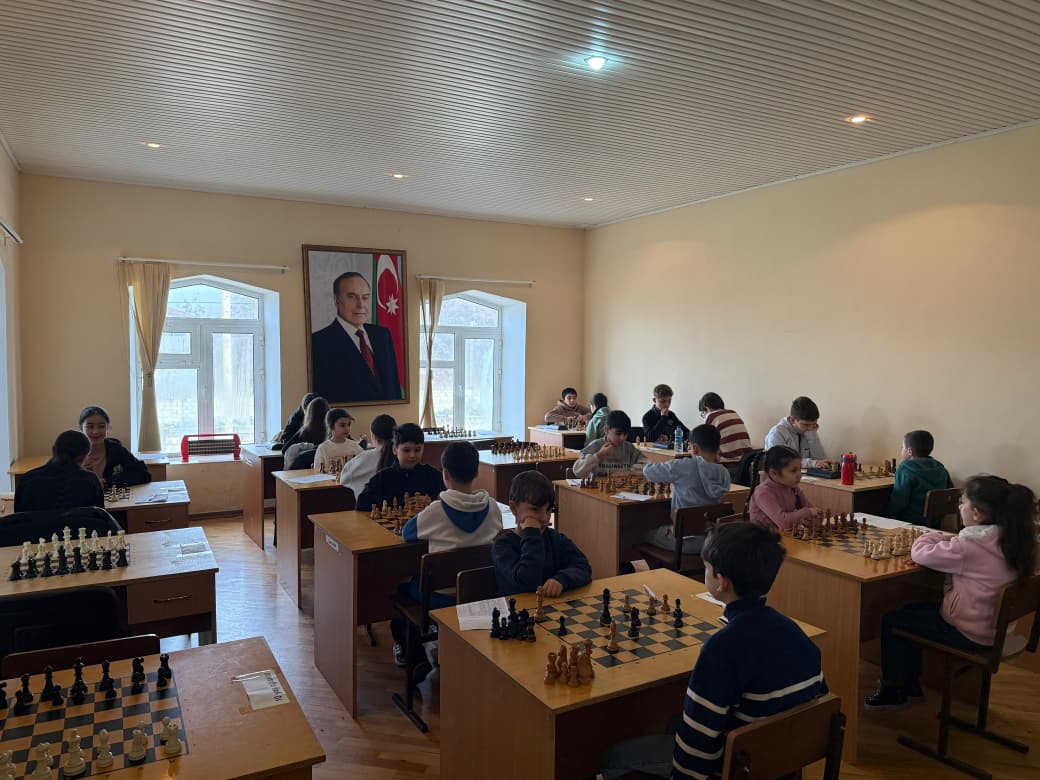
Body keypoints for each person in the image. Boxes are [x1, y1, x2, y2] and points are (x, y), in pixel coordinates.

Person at [600, 521, 827, 779]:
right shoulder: (796, 632)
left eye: (706, 568)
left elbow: (693, 762)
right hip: (783, 764)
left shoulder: (721, 650)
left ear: (721, 582)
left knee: (614, 757)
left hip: (736, 768)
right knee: (676, 721)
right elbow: (816, 703)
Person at [866, 476, 1037, 709]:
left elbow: (920, 553)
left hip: (969, 632)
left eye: (962, 502)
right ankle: (911, 685)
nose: (959, 507)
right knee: (911, 610)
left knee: (892, 621)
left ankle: (893, 690)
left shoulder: (970, 546)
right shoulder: (1012, 540)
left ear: (977, 513)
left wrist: (935, 535)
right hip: (995, 630)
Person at [388, 441, 505, 672]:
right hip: (482, 591)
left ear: (446, 474)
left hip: (440, 598)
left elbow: (407, 533)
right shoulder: (493, 507)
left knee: (401, 588)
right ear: (477, 472)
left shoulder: (436, 510)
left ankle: (414, 655)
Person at [493, 471, 591, 596]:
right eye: (535, 509)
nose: (544, 517)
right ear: (513, 508)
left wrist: (562, 579)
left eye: (548, 510)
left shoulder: (555, 538)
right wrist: (531, 533)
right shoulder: (502, 546)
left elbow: (583, 567)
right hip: (518, 607)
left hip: (551, 606)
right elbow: (527, 582)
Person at [311, 271, 402, 402]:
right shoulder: (319, 342)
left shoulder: (382, 335)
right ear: (336, 300)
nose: (360, 305)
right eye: (351, 297)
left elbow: (394, 387)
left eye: (365, 297)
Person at [640, 424, 731, 555]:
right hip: (712, 541)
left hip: (683, 541)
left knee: (641, 533)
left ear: (695, 448)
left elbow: (648, 472)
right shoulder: (724, 473)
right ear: (718, 448)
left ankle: (666, 566)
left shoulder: (684, 465)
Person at [355, 423, 445, 511]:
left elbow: (448, 495)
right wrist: (400, 503)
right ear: (395, 450)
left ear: (423, 449)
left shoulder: (432, 474)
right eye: (406, 450)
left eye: (417, 450)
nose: (412, 455)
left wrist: (432, 499)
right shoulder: (384, 476)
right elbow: (362, 501)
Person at [15, 430, 105, 512]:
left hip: (37, 525)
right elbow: (100, 516)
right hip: (77, 525)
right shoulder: (90, 480)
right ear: (84, 457)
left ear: (53, 450)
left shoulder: (28, 479)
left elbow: (19, 517)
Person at [887, 430, 954, 528]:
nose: (901, 449)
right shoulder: (941, 468)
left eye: (902, 447)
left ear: (909, 451)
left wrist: (887, 513)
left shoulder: (905, 469)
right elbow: (950, 491)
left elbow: (899, 500)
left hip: (910, 522)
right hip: (936, 521)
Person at [748, 445, 823, 532]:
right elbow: (784, 523)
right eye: (793, 471)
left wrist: (816, 516)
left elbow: (814, 512)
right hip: (764, 538)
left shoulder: (793, 488)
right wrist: (808, 512)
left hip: (785, 535)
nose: (800, 475)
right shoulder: (763, 492)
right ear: (773, 473)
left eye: (800, 469)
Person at [79, 406, 152, 488]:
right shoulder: (72, 451)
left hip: (111, 496)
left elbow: (144, 474)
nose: (95, 431)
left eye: (101, 426)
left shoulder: (116, 449)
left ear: (108, 428)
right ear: (81, 429)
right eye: (90, 426)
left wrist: (107, 482)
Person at [572, 410, 647, 478]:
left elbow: (648, 466)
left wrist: (630, 471)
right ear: (606, 430)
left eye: (625, 434)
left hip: (622, 487)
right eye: (618, 433)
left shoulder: (629, 448)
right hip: (598, 488)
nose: (622, 438)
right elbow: (577, 472)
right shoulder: (595, 446)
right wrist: (599, 455)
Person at [340, 414, 397, 499]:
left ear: (373, 436)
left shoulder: (363, 458)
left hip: (367, 506)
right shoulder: (403, 457)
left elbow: (343, 480)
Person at [698, 392, 753, 479]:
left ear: (707, 408)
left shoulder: (711, 416)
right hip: (746, 465)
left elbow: (703, 444)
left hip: (727, 467)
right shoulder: (733, 413)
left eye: (703, 413)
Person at [764, 396, 829, 468]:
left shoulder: (809, 430)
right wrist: (812, 463)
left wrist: (812, 435)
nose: (810, 428)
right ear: (792, 420)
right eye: (806, 424)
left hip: (801, 474)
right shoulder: (777, 433)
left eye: (814, 424)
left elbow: (820, 460)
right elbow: (781, 461)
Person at [283, 397, 330, 469]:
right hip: (325, 469)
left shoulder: (304, 432)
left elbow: (285, 449)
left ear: (309, 413)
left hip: (304, 471)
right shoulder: (332, 431)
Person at [313, 408, 364, 473]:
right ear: (331, 427)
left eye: (349, 425)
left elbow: (363, 465)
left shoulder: (355, 446)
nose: (347, 428)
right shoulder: (323, 448)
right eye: (342, 425)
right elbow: (317, 471)